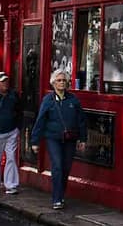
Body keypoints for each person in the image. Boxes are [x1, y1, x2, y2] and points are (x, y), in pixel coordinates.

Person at [31, 69, 87, 210]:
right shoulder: (48, 100)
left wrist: (82, 139)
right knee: (57, 166)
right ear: (53, 83)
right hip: (53, 138)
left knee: (66, 168)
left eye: (64, 80)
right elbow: (40, 120)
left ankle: (60, 195)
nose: (62, 83)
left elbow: (81, 120)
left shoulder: (73, 99)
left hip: (70, 138)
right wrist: (35, 141)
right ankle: (56, 199)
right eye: (59, 80)